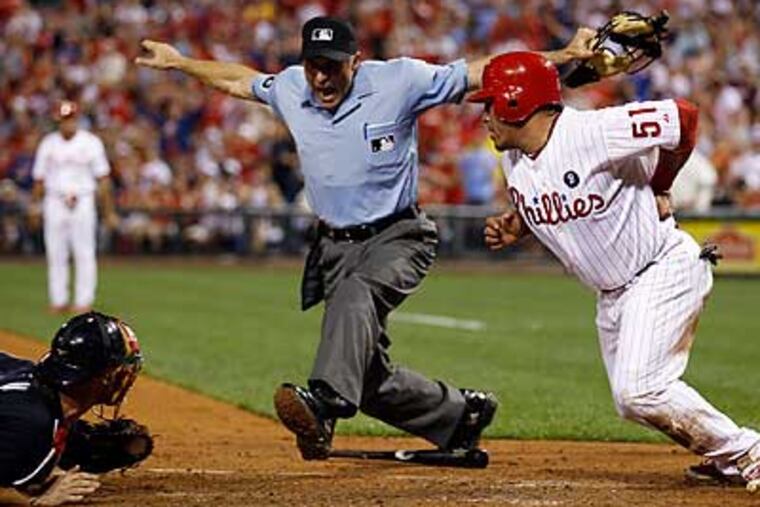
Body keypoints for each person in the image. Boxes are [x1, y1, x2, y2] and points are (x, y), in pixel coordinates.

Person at [135, 16, 594, 460]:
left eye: (332, 66)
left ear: (355, 60)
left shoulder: (400, 81)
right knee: (365, 375)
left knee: (358, 296)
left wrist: (563, 55)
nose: (321, 77)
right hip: (334, 246)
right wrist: (180, 62)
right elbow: (238, 79)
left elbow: (482, 72)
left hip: (399, 236)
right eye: (313, 65)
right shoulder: (291, 88)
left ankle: (324, 402)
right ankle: (460, 415)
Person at [472, 52, 760, 492]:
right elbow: (559, 196)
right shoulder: (514, 160)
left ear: (515, 102)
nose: (484, 116)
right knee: (632, 402)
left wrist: (661, 183)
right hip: (612, 293)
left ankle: (748, 451)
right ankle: (727, 458)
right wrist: (520, 225)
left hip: (660, 267)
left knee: (639, 389)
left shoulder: (592, 131)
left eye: (490, 104)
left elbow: (682, 117)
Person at [0, 311, 144, 505]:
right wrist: (38, 501)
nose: (124, 376)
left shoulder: (35, 394)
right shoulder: (30, 422)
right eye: (117, 370)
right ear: (99, 377)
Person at [30, 100, 118, 315]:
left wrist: (108, 211)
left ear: (77, 120)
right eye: (63, 120)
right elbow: (39, 180)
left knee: (84, 252)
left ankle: (83, 301)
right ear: (57, 121)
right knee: (55, 253)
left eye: (70, 119)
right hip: (54, 200)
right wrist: (35, 206)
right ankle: (58, 300)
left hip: (83, 200)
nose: (67, 124)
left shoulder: (91, 142)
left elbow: (104, 179)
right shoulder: (48, 143)